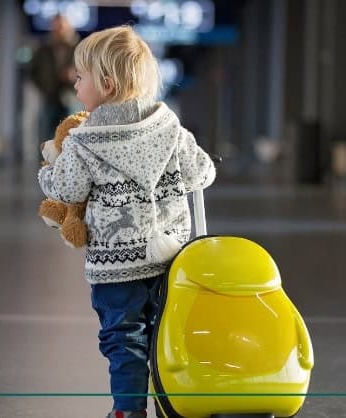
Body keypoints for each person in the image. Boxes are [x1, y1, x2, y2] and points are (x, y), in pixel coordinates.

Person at [37, 25, 216, 418]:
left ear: (106, 83)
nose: (75, 84)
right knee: (164, 332)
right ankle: (175, 403)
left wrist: (46, 172)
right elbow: (202, 173)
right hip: (169, 256)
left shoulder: (84, 139)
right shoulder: (169, 126)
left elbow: (66, 189)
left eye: (80, 77)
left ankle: (128, 410)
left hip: (116, 264)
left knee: (123, 337)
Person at [30, 15, 82, 143]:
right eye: (56, 27)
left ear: (69, 28)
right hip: (50, 99)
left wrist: (74, 76)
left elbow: (89, 71)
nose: (59, 30)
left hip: (72, 98)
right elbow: (32, 72)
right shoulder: (44, 49)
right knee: (46, 138)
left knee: (70, 138)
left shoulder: (79, 48)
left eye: (62, 27)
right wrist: (44, 88)